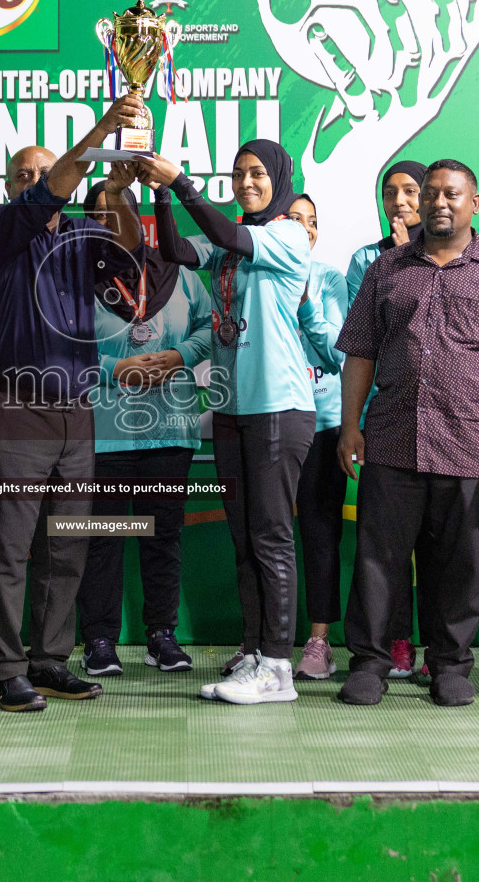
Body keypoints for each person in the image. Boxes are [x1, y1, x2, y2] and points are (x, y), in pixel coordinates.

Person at [336, 159, 479, 709]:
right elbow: (360, 350)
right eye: (430, 193)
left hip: (471, 442)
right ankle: (369, 663)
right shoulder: (387, 270)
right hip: (391, 438)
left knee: (461, 563)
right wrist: (349, 426)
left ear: (474, 203)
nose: (438, 202)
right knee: (378, 560)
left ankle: (450, 664)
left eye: (451, 194)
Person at [0, 92, 145, 712]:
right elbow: (54, 189)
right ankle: (3, 666)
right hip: (13, 408)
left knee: (66, 542)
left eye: (44, 173)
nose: (38, 182)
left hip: (76, 412)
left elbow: (129, 261)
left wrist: (119, 192)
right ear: (13, 186)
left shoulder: (79, 234)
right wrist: (102, 132)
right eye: (26, 175)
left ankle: (49, 659)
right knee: (7, 545)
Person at [135, 140, 316, 707]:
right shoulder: (234, 245)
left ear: (280, 176)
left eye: (258, 173)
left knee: (270, 537)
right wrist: (161, 196)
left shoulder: (284, 234)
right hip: (234, 408)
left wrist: (181, 181)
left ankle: (280, 668)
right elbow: (173, 251)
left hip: (278, 406)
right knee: (245, 539)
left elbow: (225, 236)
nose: (246, 182)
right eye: (238, 174)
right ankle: (257, 653)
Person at [75, 172, 212, 677]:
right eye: (96, 216)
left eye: (118, 211)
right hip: (105, 432)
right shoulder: (74, 281)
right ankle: (100, 640)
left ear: (139, 217)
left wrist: (178, 355)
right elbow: (61, 350)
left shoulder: (178, 271)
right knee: (104, 537)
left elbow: (207, 327)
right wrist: (116, 369)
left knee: (162, 535)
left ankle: (162, 635)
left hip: (171, 428)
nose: (108, 224)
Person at [344, 160, 425, 679]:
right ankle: (393, 642)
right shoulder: (367, 260)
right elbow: (365, 343)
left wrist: (408, 256)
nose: (400, 201)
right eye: (390, 191)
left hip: (452, 426)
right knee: (386, 546)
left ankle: (439, 649)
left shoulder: (469, 255)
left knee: (441, 545)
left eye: (410, 191)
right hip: (387, 420)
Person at [285, 195, 351, 681]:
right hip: (272, 418)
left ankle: (319, 640)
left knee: (320, 533)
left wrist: (307, 302)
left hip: (325, 423)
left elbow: (337, 354)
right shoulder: (257, 274)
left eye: (312, 221)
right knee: (265, 536)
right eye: (293, 220)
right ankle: (259, 641)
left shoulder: (330, 278)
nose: (305, 229)